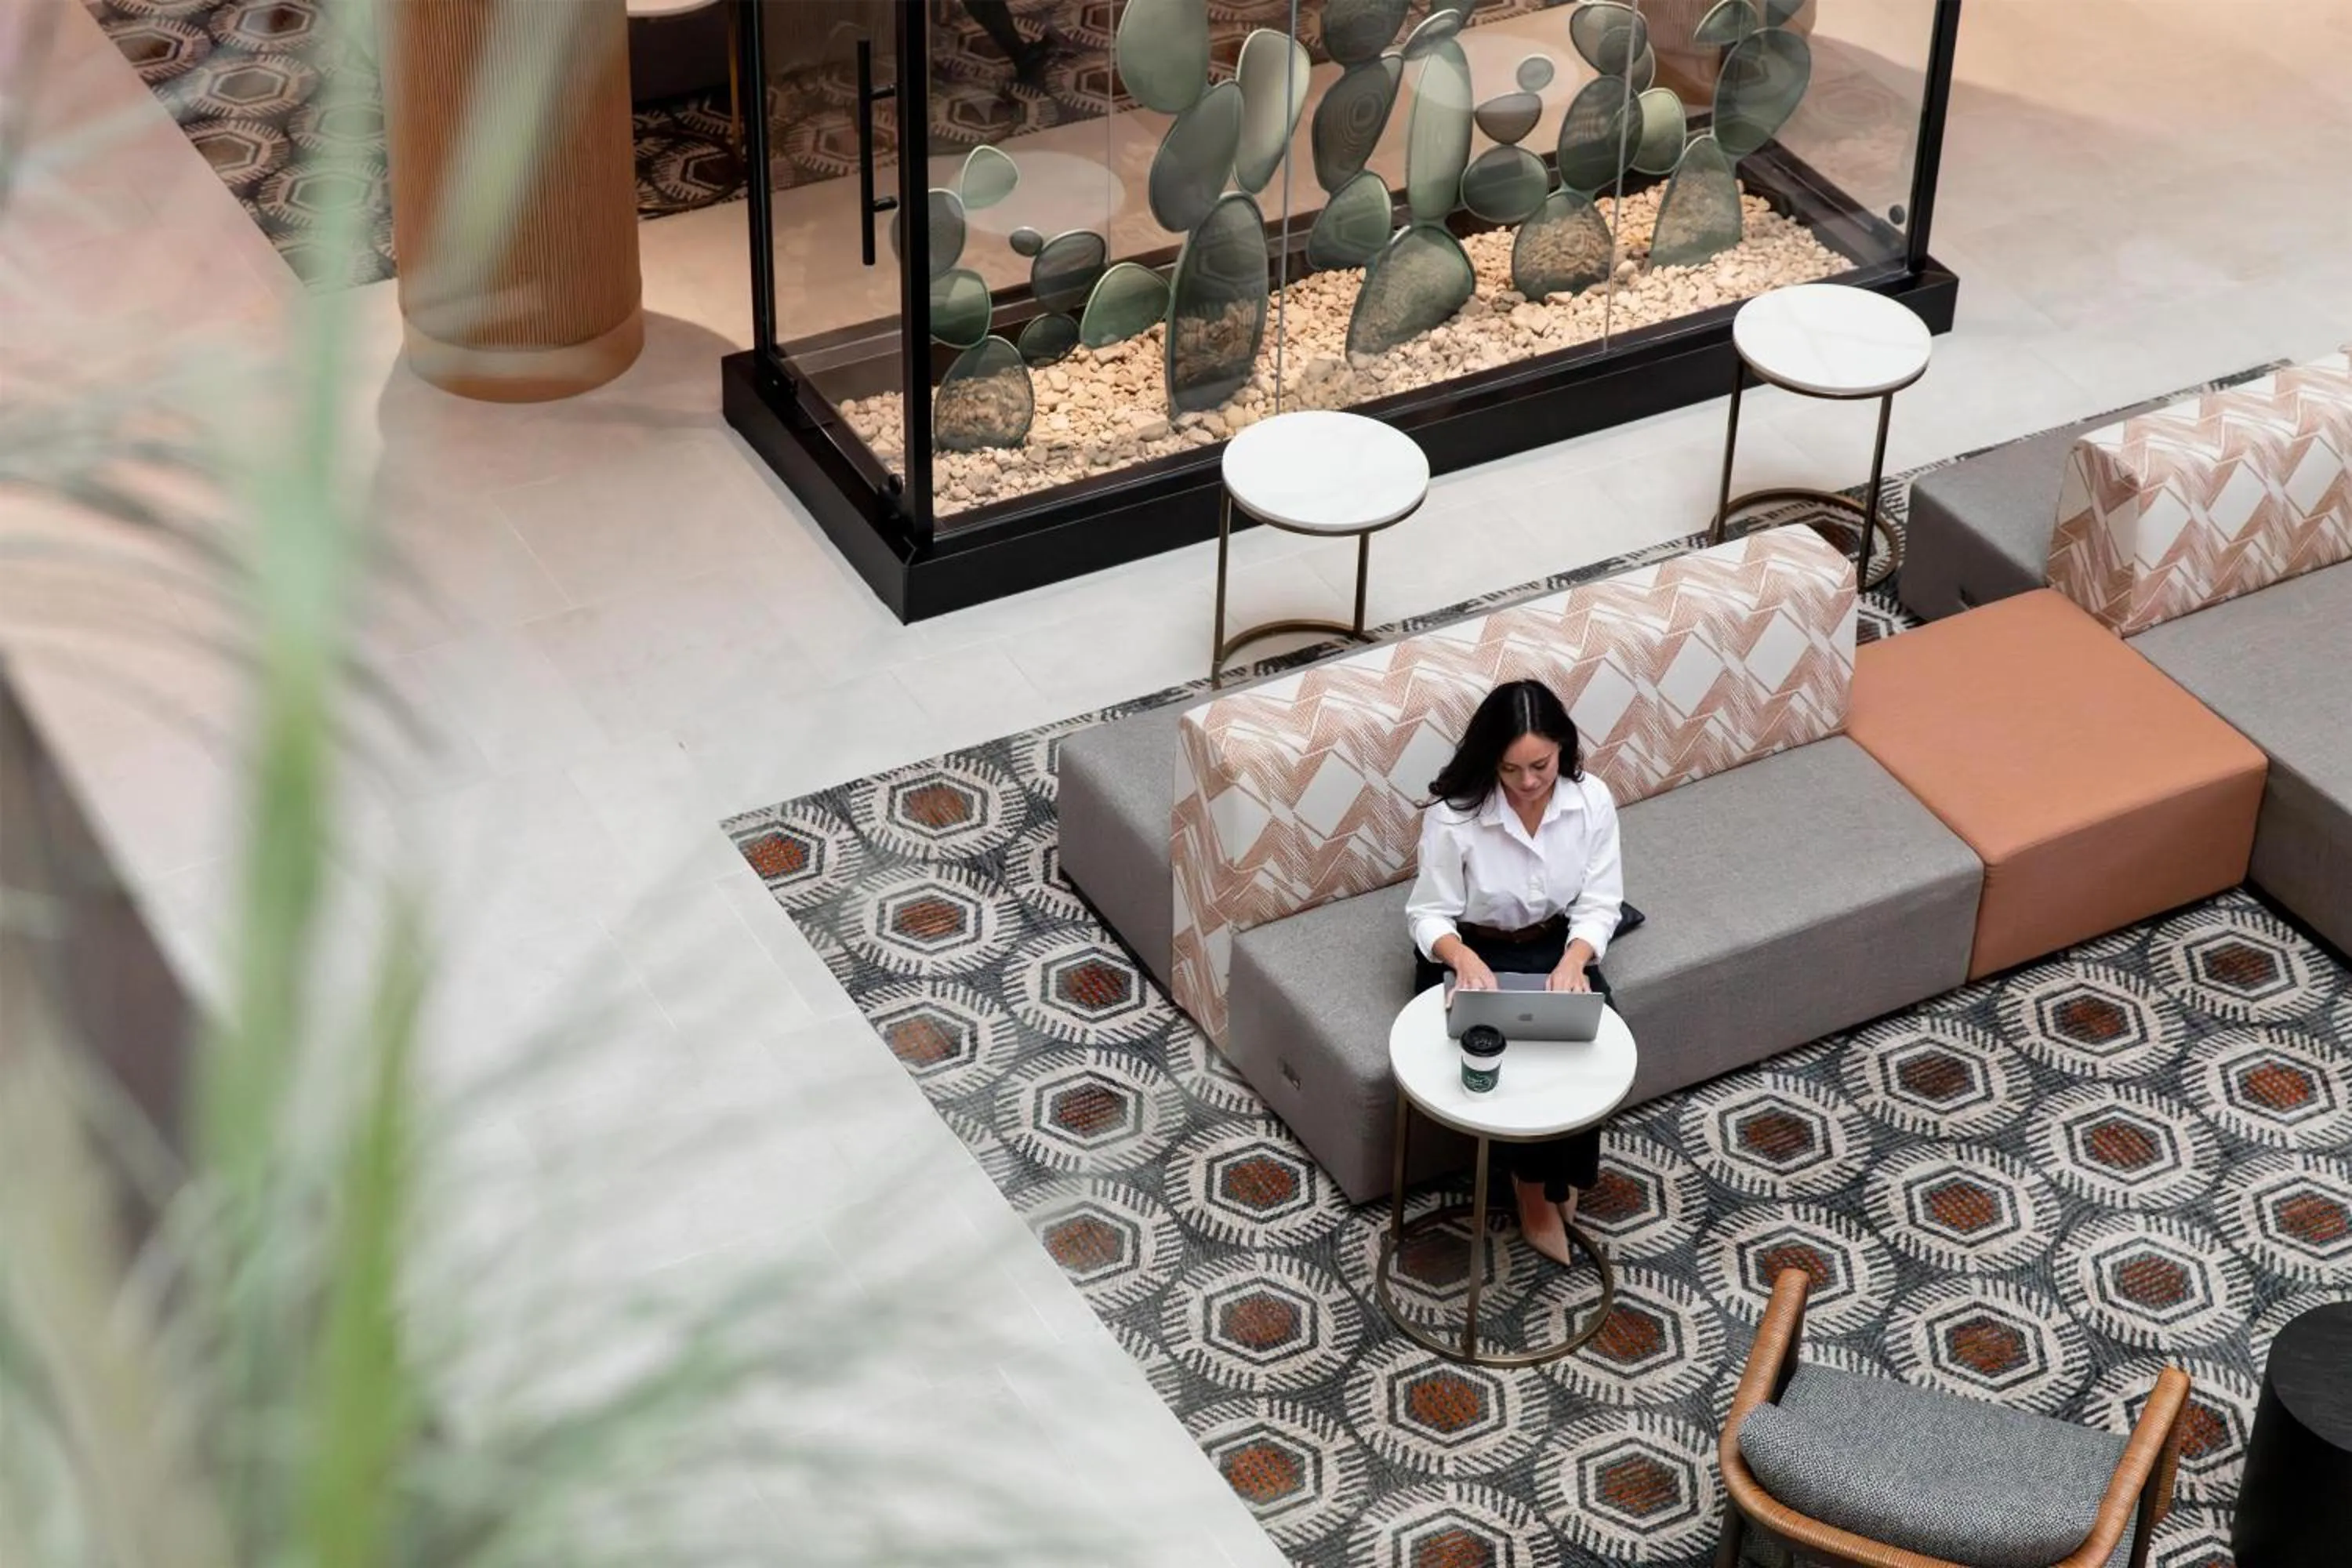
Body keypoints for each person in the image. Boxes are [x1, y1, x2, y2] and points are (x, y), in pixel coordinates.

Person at [1405, 678, 1625, 1266]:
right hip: (1471, 947)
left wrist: (1576, 960)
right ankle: (1531, 1190)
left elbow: (1601, 902)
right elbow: (1429, 914)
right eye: (1511, 770)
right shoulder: (1457, 818)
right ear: (1489, 761)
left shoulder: (1592, 801)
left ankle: (1565, 1177)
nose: (1528, 783)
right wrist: (1463, 959)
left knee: (1588, 1039)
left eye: (1541, 765)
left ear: (1564, 750)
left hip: (1555, 942)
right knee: (1501, 1050)